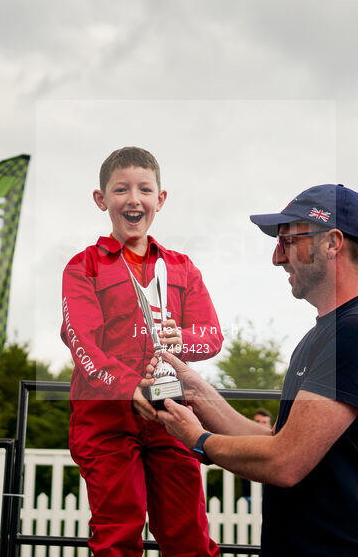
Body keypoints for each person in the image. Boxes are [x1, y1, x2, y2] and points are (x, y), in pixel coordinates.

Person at [148, 184, 358, 555]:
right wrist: (198, 393)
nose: (277, 258)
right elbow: (278, 439)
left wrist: (198, 440)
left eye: (288, 242)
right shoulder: (323, 336)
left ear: (332, 243)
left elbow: (285, 462)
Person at [60, 146, 223, 556]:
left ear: (160, 199)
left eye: (145, 190)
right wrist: (131, 387)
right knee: (118, 533)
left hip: (171, 416)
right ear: (102, 200)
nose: (134, 199)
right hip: (106, 420)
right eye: (121, 190)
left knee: (188, 535)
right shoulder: (83, 267)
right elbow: (82, 343)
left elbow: (213, 335)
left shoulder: (182, 266)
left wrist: (182, 339)